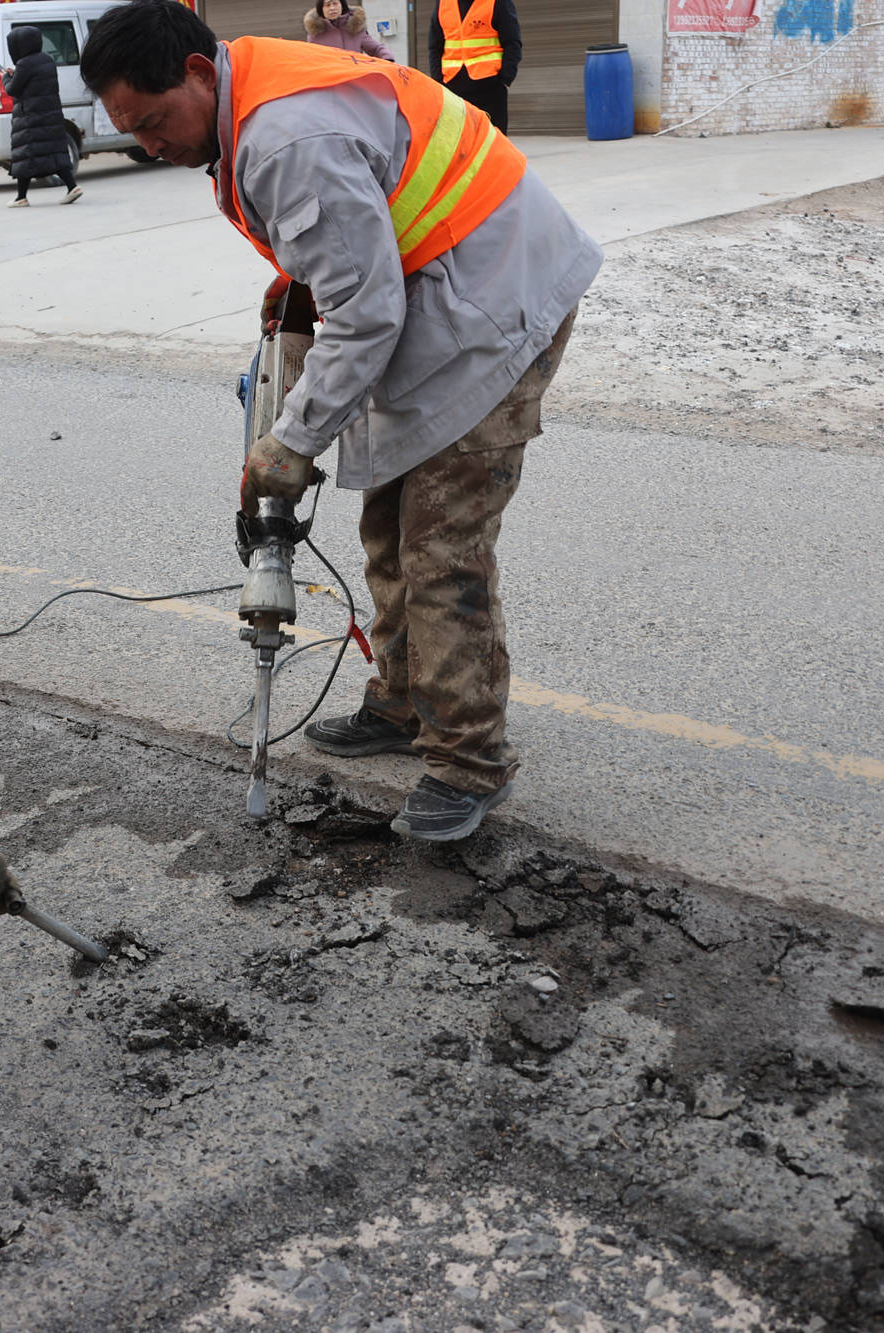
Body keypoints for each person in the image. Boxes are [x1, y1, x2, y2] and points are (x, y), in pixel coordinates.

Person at [82, 2, 600, 841]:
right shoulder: (246, 95)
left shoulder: (284, 140)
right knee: (387, 519)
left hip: (498, 294)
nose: (151, 146)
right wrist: (303, 279)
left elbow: (365, 313)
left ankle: (469, 759)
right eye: (131, 135)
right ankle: (401, 701)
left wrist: (289, 443)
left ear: (198, 74)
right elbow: (362, 233)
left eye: (154, 123)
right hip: (447, 275)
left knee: (439, 545)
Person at [5, 25, 83, 205]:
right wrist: (16, 74)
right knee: (55, 153)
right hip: (50, 116)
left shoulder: (24, 64)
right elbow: (34, 82)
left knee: (26, 156)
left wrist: (6, 77)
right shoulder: (47, 60)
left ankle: (21, 197)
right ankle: (72, 187)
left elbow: (13, 89)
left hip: (30, 119)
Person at [428, 0, 520, 133]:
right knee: (458, 144)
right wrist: (438, 82)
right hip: (452, 89)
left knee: (492, 144)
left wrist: (505, 79)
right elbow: (435, 46)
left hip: (489, 89)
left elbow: (512, 43)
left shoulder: (497, 2)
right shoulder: (443, 3)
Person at [303, 0, 397, 63]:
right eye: (327, 5)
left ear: (342, 5)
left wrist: (388, 58)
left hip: (354, 82)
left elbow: (375, 49)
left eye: (335, 3)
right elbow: (311, 60)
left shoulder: (355, 28)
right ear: (321, 9)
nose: (332, 8)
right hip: (328, 84)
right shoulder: (315, 33)